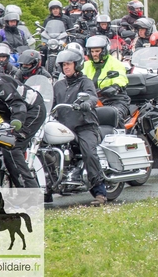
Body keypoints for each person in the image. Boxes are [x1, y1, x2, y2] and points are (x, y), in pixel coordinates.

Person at [52, 49, 107, 205]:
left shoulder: (85, 82)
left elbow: (92, 95)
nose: (66, 67)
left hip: (84, 125)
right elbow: (52, 103)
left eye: (68, 64)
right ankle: (47, 188)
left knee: (89, 152)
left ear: (77, 65)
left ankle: (100, 192)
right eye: (63, 65)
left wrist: (87, 103)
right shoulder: (59, 85)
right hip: (64, 127)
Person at [83, 35, 131, 124]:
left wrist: (115, 87)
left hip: (114, 100)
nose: (94, 54)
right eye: (92, 51)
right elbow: (79, 77)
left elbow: (121, 78)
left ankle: (120, 136)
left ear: (104, 51)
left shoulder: (115, 63)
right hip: (91, 100)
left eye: (97, 51)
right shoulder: (86, 65)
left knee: (114, 116)